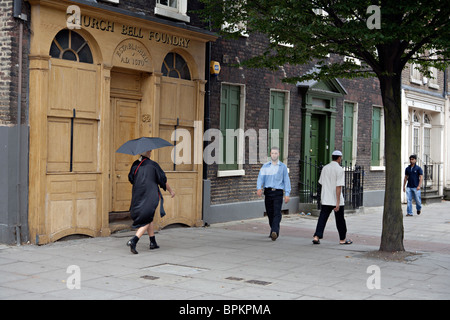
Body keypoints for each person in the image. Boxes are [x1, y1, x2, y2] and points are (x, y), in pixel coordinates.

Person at [126, 150, 175, 254]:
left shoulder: (135, 165)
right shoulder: (153, 165)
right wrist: (171, 191)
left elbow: (131, 179)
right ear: (148, 153)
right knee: (147, 218)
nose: (151, 152)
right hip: (150, 195)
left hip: (138, 195)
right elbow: (162, 180)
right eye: (150, 151)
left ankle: (153, 242)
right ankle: (134, 240)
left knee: (149, 216)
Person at [312, 150, 352, 245]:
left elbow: (321, 182)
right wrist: (337, 202)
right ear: (339, 158)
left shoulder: (325, 168)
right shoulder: (339, 170)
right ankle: (342, 239)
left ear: (332, 157)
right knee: (340, 220)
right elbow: (338, 187)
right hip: (335, 200)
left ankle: (316, 236)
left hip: (326, 198)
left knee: (322, 218)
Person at [257, 146, 291, 241]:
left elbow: (286, 181)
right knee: (270, 212)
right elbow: (260, 177)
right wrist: (259, 188)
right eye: (272, 153)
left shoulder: (283, 167)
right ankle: (273, 230)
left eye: (276, 153)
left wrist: (287, 193)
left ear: (279, 154)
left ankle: (274, 231)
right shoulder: (265, 166)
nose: (274, 155)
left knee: (277, 212)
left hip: (278, 192)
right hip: (268, 192)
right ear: (270, 154)